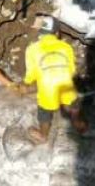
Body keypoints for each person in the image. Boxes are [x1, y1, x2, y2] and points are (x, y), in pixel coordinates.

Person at [24, 15, 87, 144]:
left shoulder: (31, 50)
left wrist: (26, 83)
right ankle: (80, 126)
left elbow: (31, 75)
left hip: (47, 93)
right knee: (73, 107)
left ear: (40, 32)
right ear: (57, 32)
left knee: (44, 113)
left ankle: (43, 134)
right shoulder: (66, 47)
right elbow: (71, 70)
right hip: (67, 89)